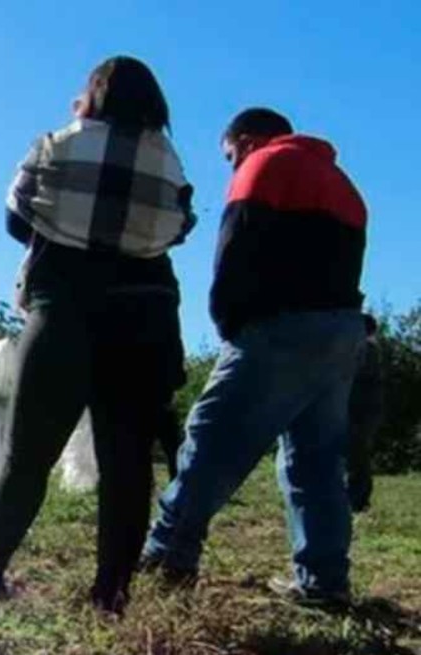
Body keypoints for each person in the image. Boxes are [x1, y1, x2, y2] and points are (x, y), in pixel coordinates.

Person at [0, 56, 196, 614]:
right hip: (144, 316)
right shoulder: (169, 160)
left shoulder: (55, 144)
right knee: (126, 465)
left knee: (27, 454)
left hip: (66, 310)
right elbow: (180, 227)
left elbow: (14, 218)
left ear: (92, 94)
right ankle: (110, 594)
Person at [141, 108, 368, 607]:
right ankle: (324, 582)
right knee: (315, 462)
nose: (230, 165)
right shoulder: (342, 184)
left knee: (211, 439)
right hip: (340, 332)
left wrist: (230, 326)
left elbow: (234, 251)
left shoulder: (262, 165)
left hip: (279, 329)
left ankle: (166, 556)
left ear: (244, 141)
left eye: (228, 156)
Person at [347, 314, 384, 513]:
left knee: (356, 454)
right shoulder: (369, 348)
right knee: (356, 454)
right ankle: (356, 497)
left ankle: (358, 499)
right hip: (365, 410)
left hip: (361, 410)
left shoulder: (367, 349)